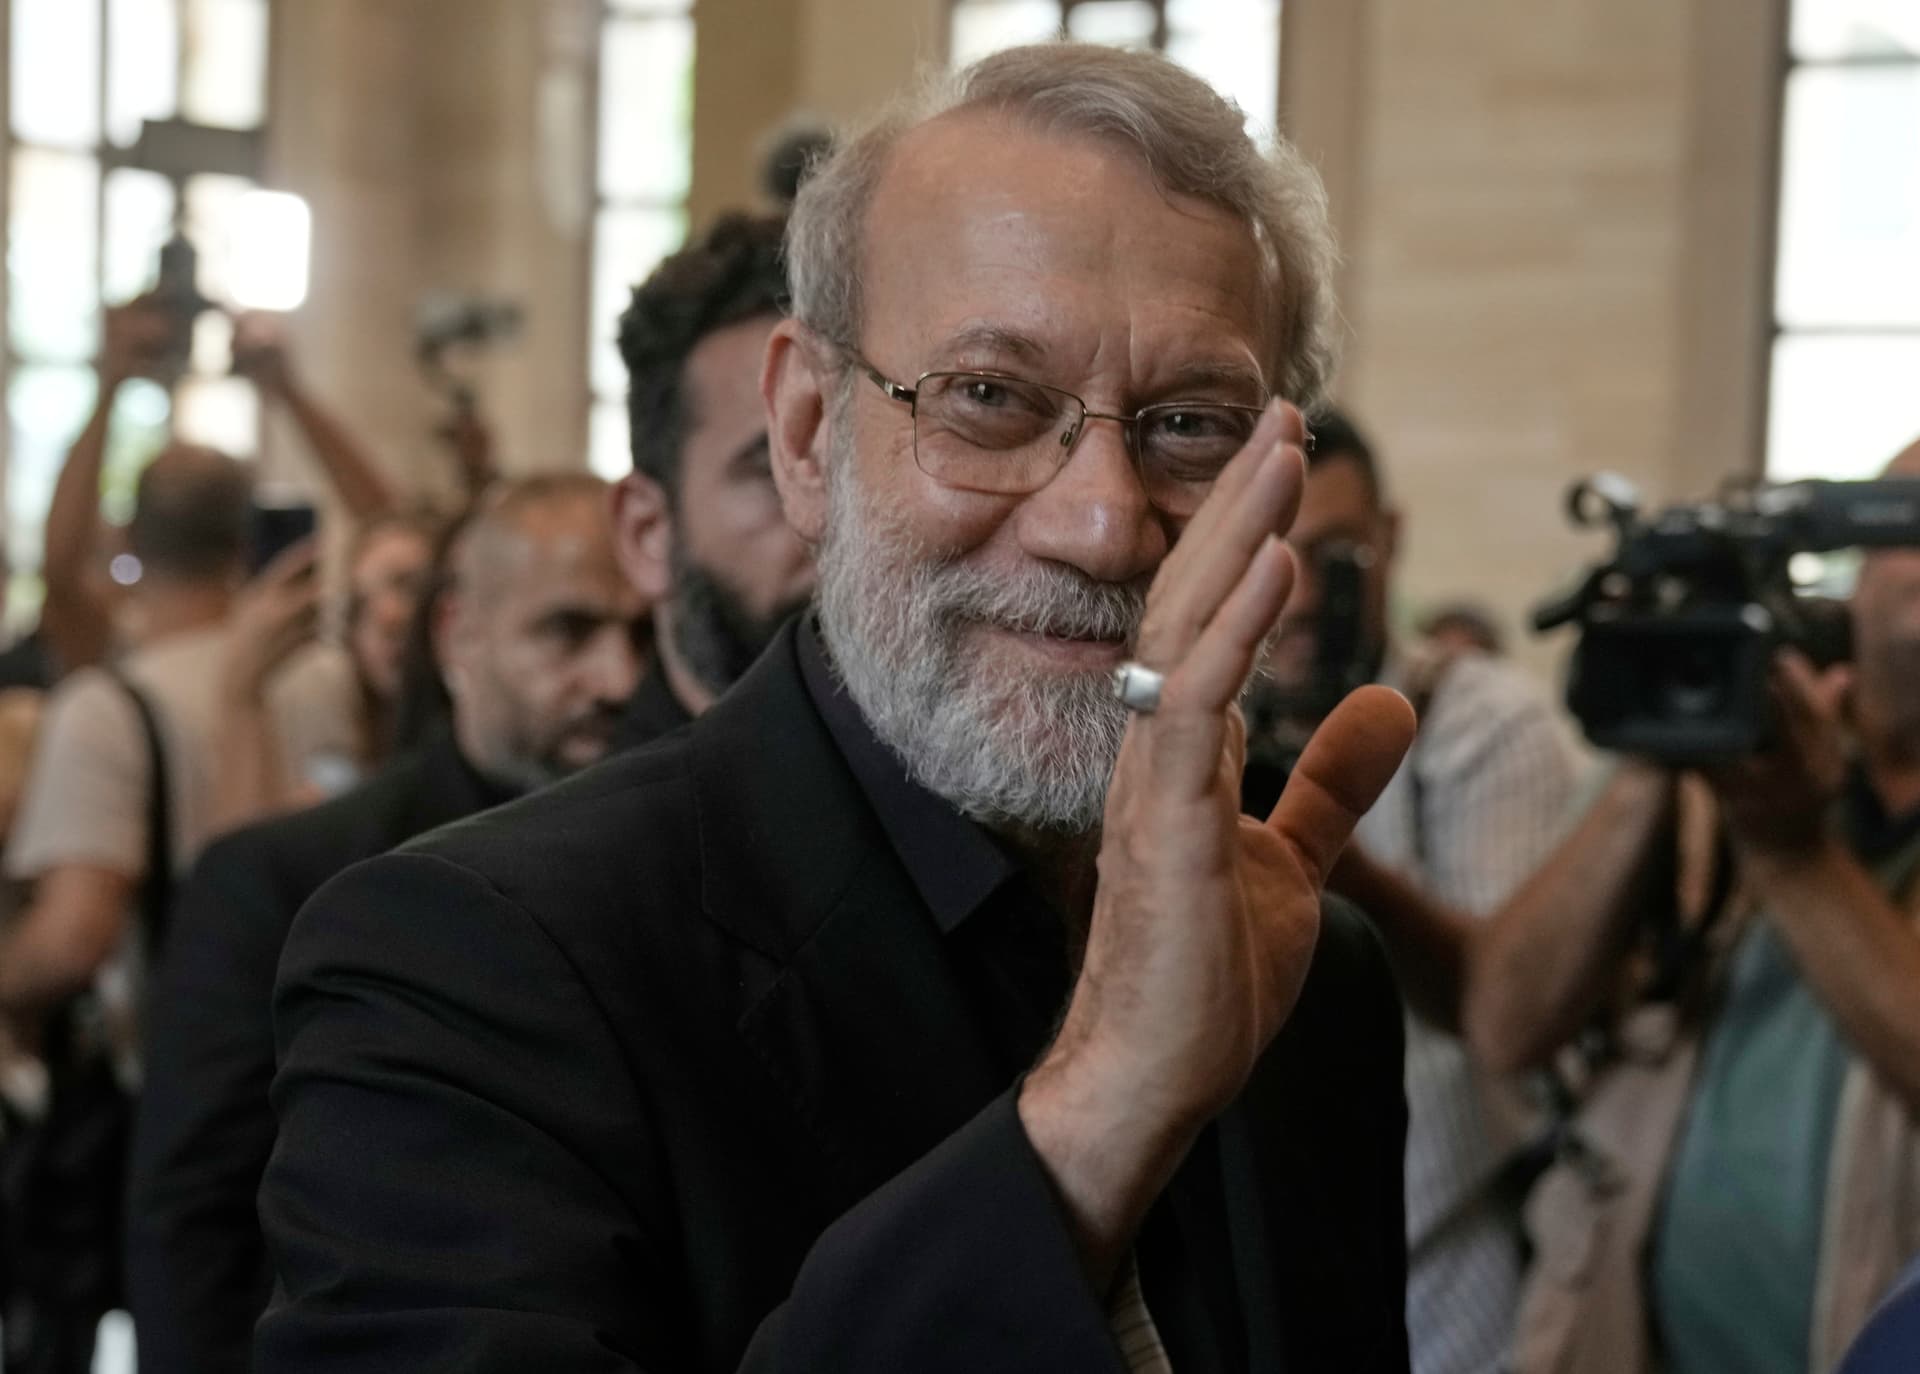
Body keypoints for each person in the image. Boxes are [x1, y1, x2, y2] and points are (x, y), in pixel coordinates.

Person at [257, 44, 1421, 1373]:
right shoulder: (471, 965)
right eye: (990, 398)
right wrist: (1100, 1109)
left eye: (1191, 424)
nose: (1102, 523)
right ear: (807, 433)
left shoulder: (1315, 976)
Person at [126, 474, 642, 1374]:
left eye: (640, 632)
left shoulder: (670, 866)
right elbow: (190, 1226)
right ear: (457, 636)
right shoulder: (281, 879)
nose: (616, 678)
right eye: (567, 630)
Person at [1479, 436, 1920, 1373]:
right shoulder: (1715, 741)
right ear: (1856, 577)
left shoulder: (1778, 811)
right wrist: (1659, 750)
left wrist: (1788, 848)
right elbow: (1505, 1025)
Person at [1248, 410, 1580, 1374]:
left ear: (1390, 538)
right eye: (1275, 555)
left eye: (1335, 555)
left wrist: (1307, 829)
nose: (1304, 596)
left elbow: (1502, 1009)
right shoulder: (1208, 709)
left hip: (1449, 1259)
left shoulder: (1480, 723)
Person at [609, 210, 815, 745]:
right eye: (773, 470)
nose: (832, 516)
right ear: (648, 532)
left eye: (855, 470)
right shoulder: (568, 829)